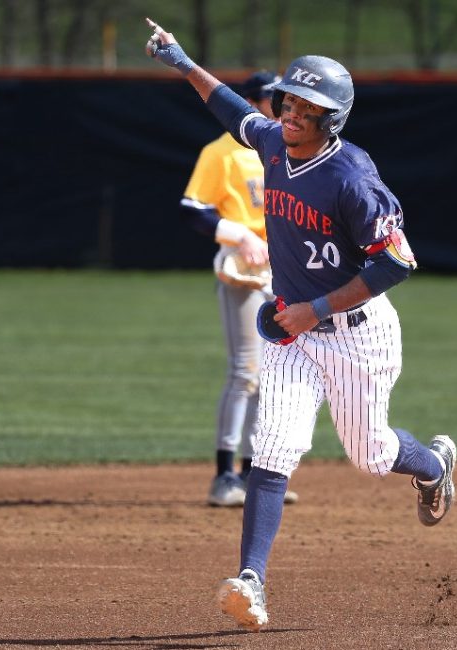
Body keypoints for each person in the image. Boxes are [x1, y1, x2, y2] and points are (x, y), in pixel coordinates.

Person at [145, 18, 457, 632]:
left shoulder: (352, 179)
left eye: (306, 108)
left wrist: (315, 309)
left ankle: (433, 466)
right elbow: (233, 110)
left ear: (331, 120)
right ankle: (251, 581)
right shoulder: (273, 142)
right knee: (272, 448)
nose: (290, 113)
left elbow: (397, 261)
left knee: (371, 455)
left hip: (358, 334)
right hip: (293, 336)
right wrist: (182, 62)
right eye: (289, 101)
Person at [179, 70, 299, 508]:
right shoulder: (222, 152)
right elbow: (192, 208)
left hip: (285, 272)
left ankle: (253, 473)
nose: (284, 109)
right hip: (244, 270)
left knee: (273, 377)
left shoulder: (288, 151)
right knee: (246, 371)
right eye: (276, 100)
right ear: (250, 103)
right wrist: (239, 234)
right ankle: (224, 476)